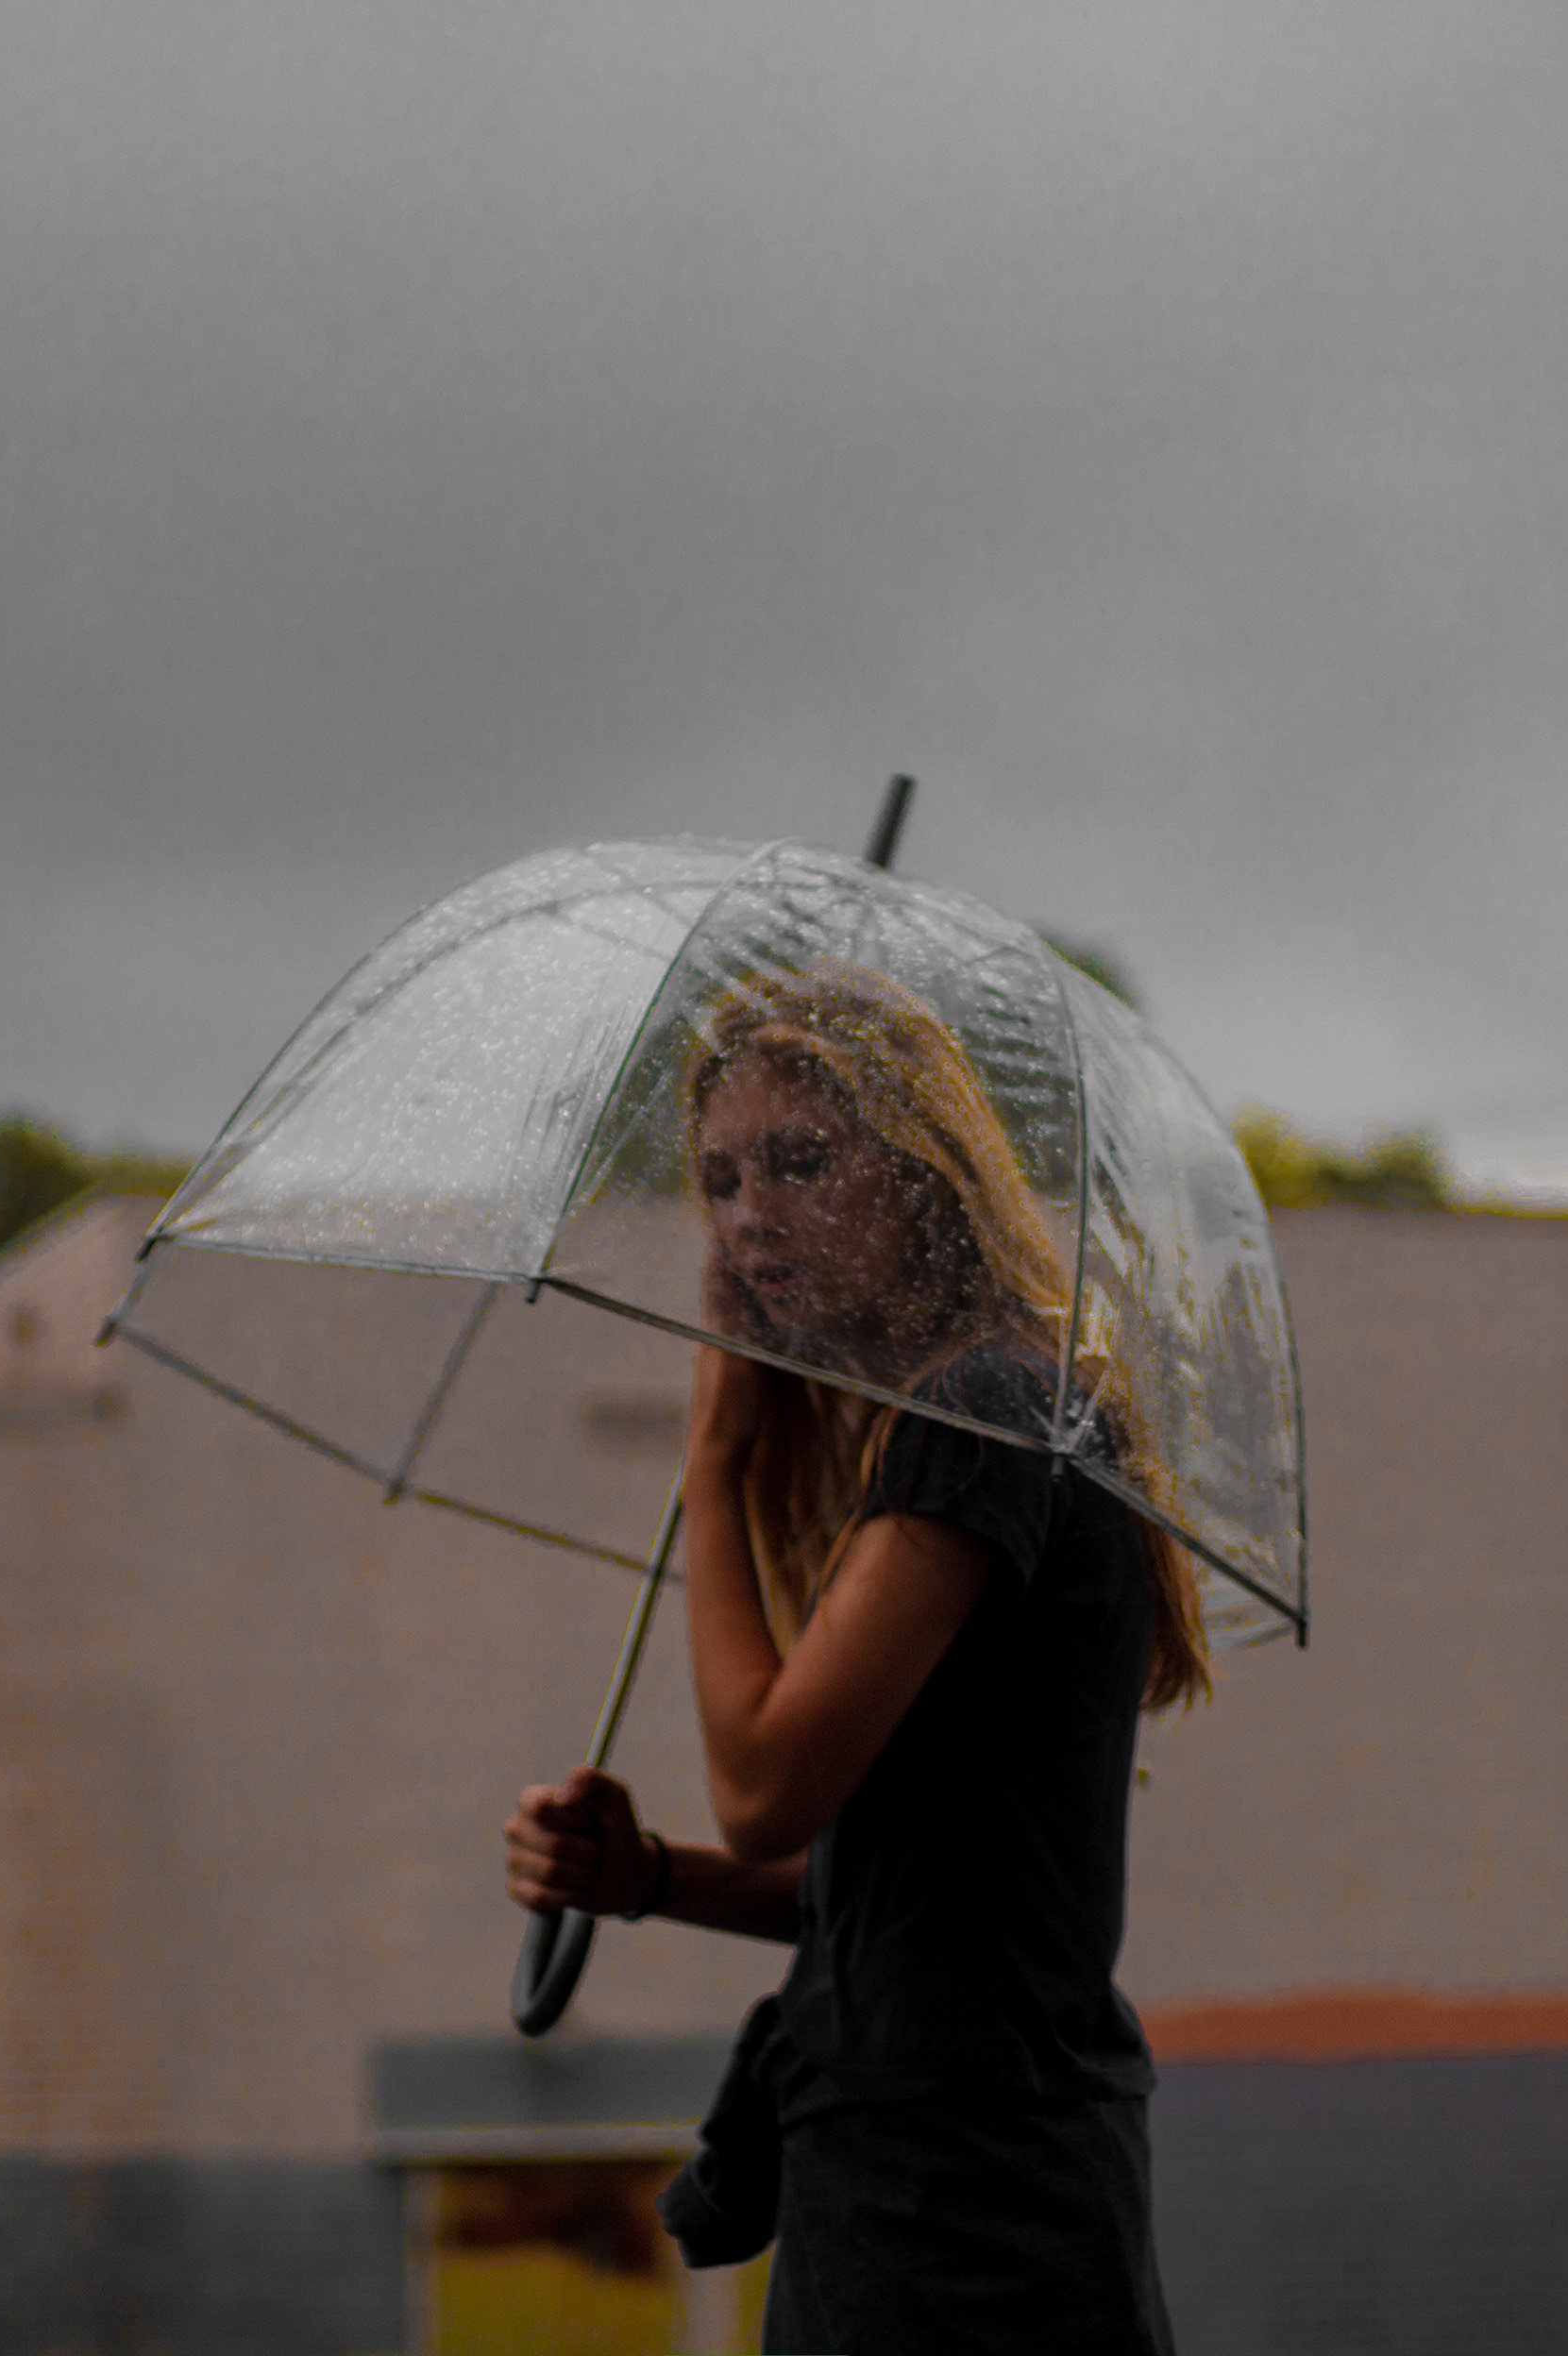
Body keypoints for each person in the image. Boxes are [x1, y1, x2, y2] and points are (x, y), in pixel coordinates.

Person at [504, 964, 1208, 2354]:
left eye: (802, 1161)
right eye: (721, 1179)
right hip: (930, 2170)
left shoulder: (985, 1415)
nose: (750, 1215)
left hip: (961, 2206)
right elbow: (917, 1905)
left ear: (924, 1174)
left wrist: (717, 1454)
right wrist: (647, 1880)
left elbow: (766, 1789)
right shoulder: (965, 1421)